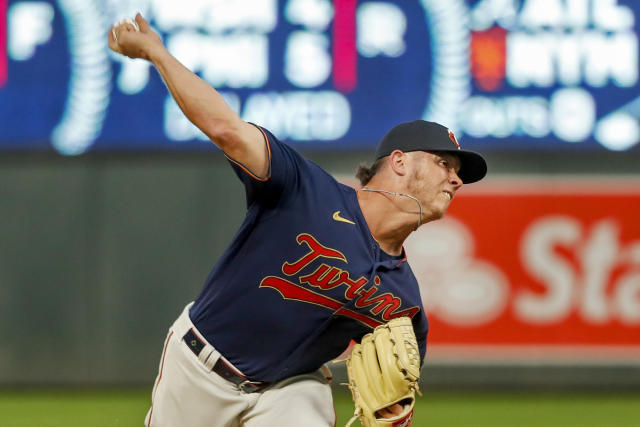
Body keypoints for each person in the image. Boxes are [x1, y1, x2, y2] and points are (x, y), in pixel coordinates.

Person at [109, 14, 487, 427]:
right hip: (201, 368)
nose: (455, 178)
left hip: (290, 389)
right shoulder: (305, 190)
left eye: (459, 173)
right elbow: (226, 129)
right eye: (443, 163)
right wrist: (157, 53)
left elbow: (396, 399)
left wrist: (397, 414)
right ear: (398, 162)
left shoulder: (403, 301)